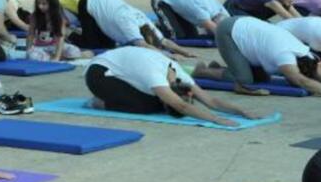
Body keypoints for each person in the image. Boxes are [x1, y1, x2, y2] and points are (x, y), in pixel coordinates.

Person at [85, 46, 263, 126]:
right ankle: (98, 102)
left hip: (123, 67)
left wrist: (241, 111)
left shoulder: (180, 77)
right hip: (99, 73)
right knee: (146, 106)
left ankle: (158, 102)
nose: (188, 98)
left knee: (156, 104)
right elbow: (181, 105)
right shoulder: (155, 77)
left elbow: (211, 101)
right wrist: (215, 119)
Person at [204, 16, 321, 98]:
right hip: (228, 31)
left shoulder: (306, 54)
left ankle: (222, 68)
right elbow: (303, 81)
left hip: (247, 27)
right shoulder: (285, 57)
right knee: (245, 80)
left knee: (263, 78)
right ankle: (204, 71)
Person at [72, 0, 196, 57]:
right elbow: (142, 45)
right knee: (94, 46)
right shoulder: (129, 26)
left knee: (108, 44)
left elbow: (164, 41)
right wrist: (167, 55)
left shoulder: (147, 24)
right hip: (88, 2)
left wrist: (184, 52)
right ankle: (71, 36)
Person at [25, 0, 90, 62]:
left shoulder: (59, 17)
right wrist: (28, 50)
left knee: (73, 51)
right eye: (38, 3)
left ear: (52, 3)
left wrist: (57, 57)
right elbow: (30, 34)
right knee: (32, 56)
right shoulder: (34, 16)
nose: (40, 6)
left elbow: (60, 38)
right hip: (40, 48)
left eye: (44, 4)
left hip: (55, 47)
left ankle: (78, 55)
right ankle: (58, 58)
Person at [150, 0, 229, 38]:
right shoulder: (201, 12)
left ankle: (166, 23)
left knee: (191, 35)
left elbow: (226, 24)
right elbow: (218, 32)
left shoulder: (220, 10)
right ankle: (153, 28)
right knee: (174, 35)